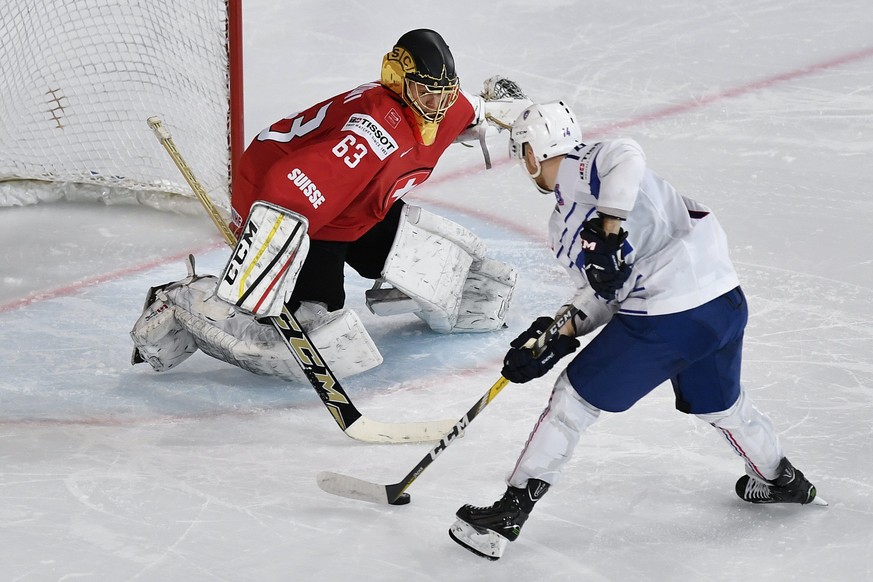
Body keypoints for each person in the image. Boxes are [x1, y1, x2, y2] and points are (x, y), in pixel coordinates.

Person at [448, 101, 822, 561]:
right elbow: (604, 290)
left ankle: (506, 516)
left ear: (531, 153)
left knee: (573, 399)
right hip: (723, 304)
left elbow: (625, 153)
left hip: (668, 317)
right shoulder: (570, 214)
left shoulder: (586, 166)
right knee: (723, 406)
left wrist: (608, 231)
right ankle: (782, 479)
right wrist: (556, 335)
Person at [130, 30, 532, 383]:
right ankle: (183, 302)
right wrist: (254, 276)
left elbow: (476, 110)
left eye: (444, 92)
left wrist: (510, 113)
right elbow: (289, 191)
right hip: (285, 202)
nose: (436, 104)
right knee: (314, 328)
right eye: (426, 92)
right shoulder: (370, 133)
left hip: (352, 202)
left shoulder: (445, 107)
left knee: (421, 255)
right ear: (398, 80)